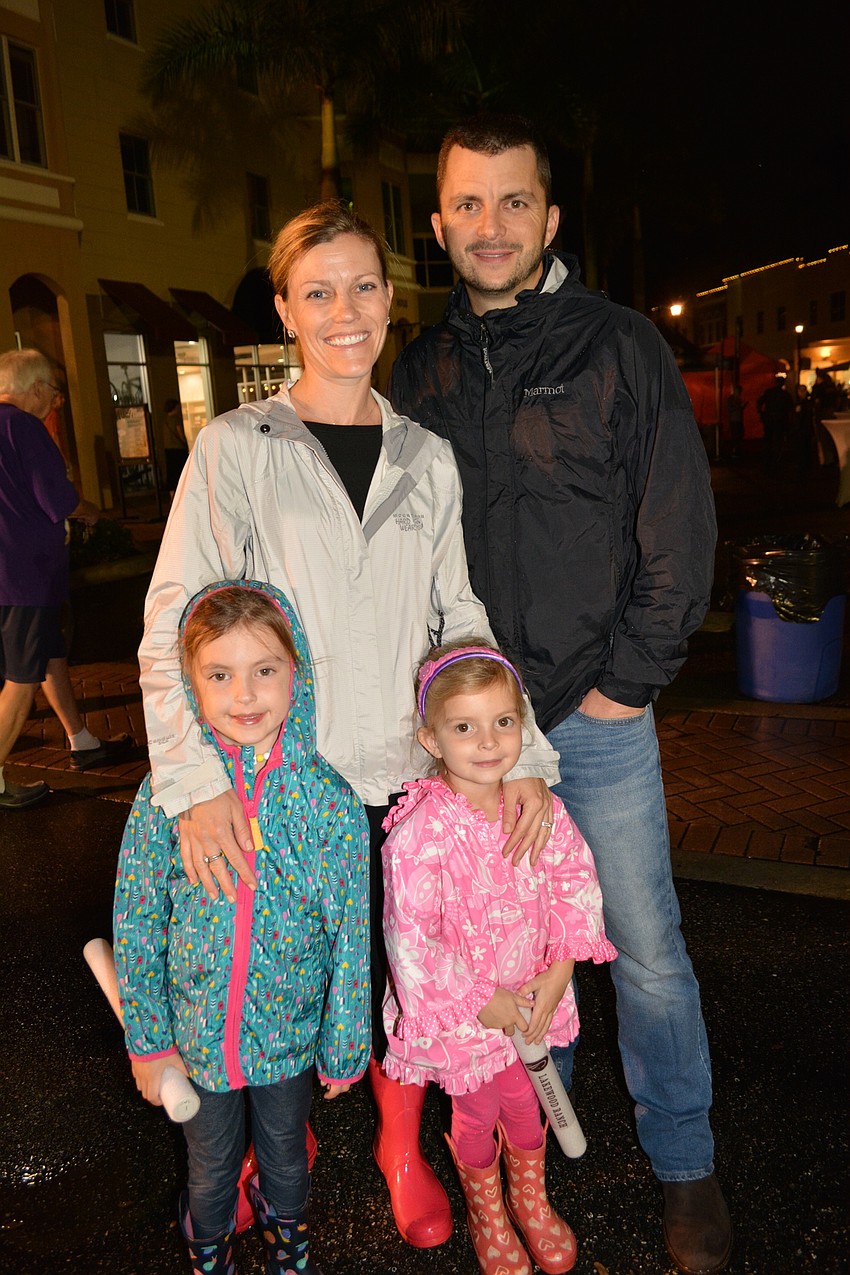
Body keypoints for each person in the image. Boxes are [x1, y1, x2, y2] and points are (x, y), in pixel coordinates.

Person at [138, 200, 561, 1251]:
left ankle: (399, 1145)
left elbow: (458, 618)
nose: (343, 310)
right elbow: (174, 618)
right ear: (286, 309)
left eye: (363, 286)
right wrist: (195, 783)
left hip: (398, 777)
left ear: (390, 300)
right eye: (317, 290)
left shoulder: (427, 455)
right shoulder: (236, 447)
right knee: (272, 966)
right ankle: (259, 1146)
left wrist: (522, 755)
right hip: (270, 782)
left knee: (397, 974)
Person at [388, 115, 731, 1274]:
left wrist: (621, 692)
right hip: (474, 738)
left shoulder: (619, 345)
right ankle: (532, 1154)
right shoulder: (418, 370)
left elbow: (678, 533)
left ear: (550, 217)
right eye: (468, 207)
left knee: (642, 951)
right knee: (500, 952)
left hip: (595, 722)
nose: (491, 227)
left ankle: (685, 1165)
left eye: (513, 203)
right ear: (437, 226)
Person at [115, 580, 368, 1274]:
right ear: (191, 683)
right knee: (211, 1164)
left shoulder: (331, 804)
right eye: (220, 674)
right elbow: (137, 921)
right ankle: (210, 1247)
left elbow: (351, 935)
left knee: (287, 1153)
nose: (245, 694)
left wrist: (344, 1042)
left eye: (265, 670)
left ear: (298, 674)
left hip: (288, 1035)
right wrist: (149, 1039)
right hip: (197, 1038)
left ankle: (289, 1238)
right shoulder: (168, 797)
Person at [381, 640, 617, 1275]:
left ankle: (530, 1201)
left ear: (523, 725)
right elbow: (411, 933)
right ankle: (489, 1213)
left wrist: (562, 966)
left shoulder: (538, 811)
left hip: (535, 994)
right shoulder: (419, 834)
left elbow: (573, 880)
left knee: (527, 1102)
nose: (488, 742)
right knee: (478, 1111)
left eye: (503, 722)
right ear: (431, 739)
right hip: (470, 1015)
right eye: (465, 727)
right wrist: (481, 999)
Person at [0, 348, 130, 810]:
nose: (56, 404)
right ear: (34, 388)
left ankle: (82, 742)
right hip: (23, 576)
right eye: (54, 393)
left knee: (49, 654)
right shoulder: (22, 426)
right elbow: (58, 498)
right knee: (21, 677)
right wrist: (93, 513)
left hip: (9, 576)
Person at [756, 374, 795, 471]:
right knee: (777, 440)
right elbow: (790, 408)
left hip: (769, 419)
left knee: (768, 439)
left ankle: (767, 458)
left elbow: (759, 402)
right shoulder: (785, 394)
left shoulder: (769, 392)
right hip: (779, 420)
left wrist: (761, 413)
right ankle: (775, 459)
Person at [162, 396, 189, 499]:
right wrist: (185, 443)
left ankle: (172, 496)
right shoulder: (176, 419)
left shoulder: (165, 421)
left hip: (168, 449)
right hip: (178, 449)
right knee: (180, 472)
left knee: (171, 473)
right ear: (175, 408)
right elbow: (180, 433)